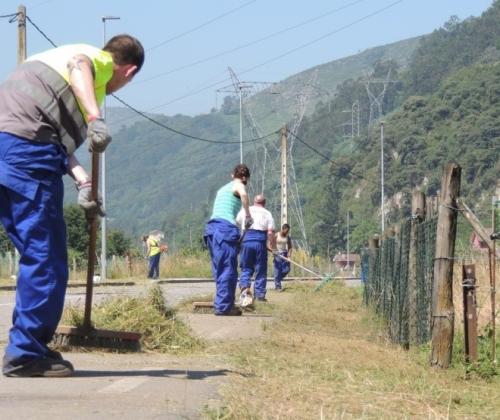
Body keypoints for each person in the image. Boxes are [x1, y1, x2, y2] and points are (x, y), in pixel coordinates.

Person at [0, 35, 145, 377]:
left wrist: (84, 183)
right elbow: (80, 65)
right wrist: (95, 118)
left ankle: (28, 346)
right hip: (26, 154)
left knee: (37, 252)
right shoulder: (95, 63)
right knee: (46, 257)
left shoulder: (50, 61)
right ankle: (26, 354)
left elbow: (49, 135)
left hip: (11, 148)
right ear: (130, 71)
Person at [204, 164, 253, 316]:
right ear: (245, 178)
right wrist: (248, 215)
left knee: (219, 269)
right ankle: (224, 308)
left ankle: (222, 303)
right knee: (228, 269)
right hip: (225, 230)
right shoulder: (239, 185)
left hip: (212, 229)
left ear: (232, 175)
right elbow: (243, 195)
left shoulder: (223, 188)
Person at [236, 194, 276, 302]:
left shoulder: (246, 209)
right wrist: (272, 246)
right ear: (264, 203)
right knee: (261, 269)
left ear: (254, 202)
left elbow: (238, 220)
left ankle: (245, 289)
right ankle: (259, 295)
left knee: (246, 268)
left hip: (246, 241)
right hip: (260, 243)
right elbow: (271, 232)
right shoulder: (267, 213)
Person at [273, 223, 293, 291]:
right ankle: (278, 286)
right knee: (278, 270)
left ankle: (277, 279)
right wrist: (274, 251)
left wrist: (289, 256)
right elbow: (271, 243)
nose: (287, 232)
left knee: (287, 269)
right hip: (277, 254)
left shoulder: (288, 237)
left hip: (285, 254)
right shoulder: (276, 235)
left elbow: (290, 247)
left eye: (288, 231)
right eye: (286, 231)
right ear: (283, 229)